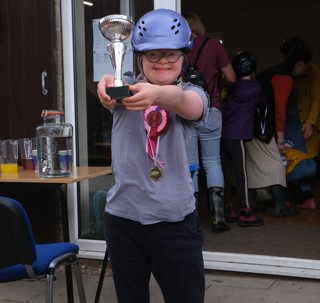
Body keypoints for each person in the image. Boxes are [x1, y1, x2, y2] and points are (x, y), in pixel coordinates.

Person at [96, 9, 209, 303]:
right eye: (153, 55)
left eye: (171, 55)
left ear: (184, 58)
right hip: (123, 219)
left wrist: (158, 94)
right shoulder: (127, 89)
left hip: (175, 222)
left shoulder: (191, 92)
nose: (162, 62)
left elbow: (187, 104)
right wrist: (106, 81)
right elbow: (109, 84)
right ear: (139, 59)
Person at [245, 39, 314, 217]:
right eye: (305, 67)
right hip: (261, 125)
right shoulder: (284, 77)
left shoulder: (270, 73)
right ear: (299, 64)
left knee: (252, 165)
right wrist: (281, 141)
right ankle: (280, 206)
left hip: (247, 122)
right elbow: (280, 111)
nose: (305, 71)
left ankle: (252, 202)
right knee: (276, 164)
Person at [183, 12, 236, 232]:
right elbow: (232, 78)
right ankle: (218, 217)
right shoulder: (214, 45)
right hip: (212, 108)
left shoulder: (179, 49)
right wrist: (217, 83)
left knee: (191, 164)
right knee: (213, 161)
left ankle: (192, 219)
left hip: (186, 110)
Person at [221, 51, 266, 227]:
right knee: (241, 173)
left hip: (223, 134)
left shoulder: (231, 88)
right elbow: (264, 103)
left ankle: (226, 207)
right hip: (237, 135)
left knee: (224, 172)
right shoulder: (255, 88)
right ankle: (246, 211)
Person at [280, 36, 320, 209]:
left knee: (306, 161)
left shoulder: (312, 72)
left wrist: (311, 121)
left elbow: (316, 98)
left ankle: (284, 190)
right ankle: (305, 196)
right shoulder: (285, 70)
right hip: (289, 122)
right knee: (292, 160)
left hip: (304, 122)